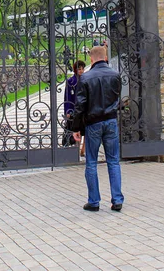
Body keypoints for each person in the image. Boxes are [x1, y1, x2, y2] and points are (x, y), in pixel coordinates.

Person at [72, 45, 124, 212]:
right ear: (105, 57)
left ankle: (94, 201)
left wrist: (76, 127)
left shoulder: (86, 78)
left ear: (91, 59)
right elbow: (116, 98)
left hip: (93, 123)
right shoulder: (115, 75)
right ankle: (117, 199)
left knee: (92, 162)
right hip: (110, 121)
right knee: (113, 161)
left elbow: (80, 106)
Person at [62, 60, 86, 147]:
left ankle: (83, 149)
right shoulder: (71, 81)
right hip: (73, 108)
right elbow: (67, 96)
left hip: (84, 108)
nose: (81, 71)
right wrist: (67, 111)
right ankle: (76, 147)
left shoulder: (86, 79)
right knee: (75, 129)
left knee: (85, 129)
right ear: (75, 70)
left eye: (82, 69)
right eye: (79, 69)